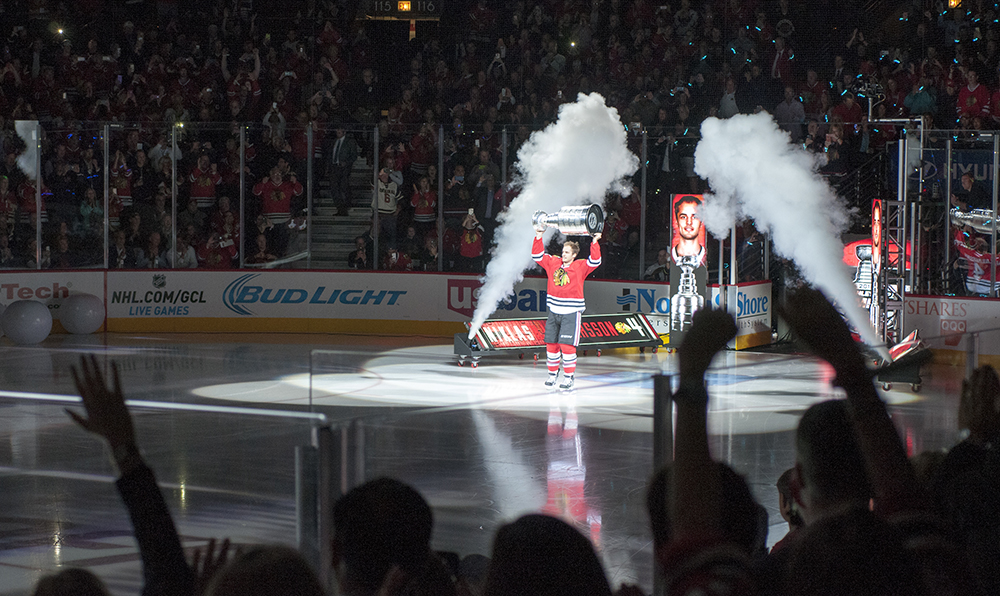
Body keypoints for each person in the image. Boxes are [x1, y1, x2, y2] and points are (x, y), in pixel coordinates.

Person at [532, 226, 602, 390]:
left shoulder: (580, 266)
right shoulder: (553, 262)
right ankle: (552, 374)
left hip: (571, 312)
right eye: (563, 251)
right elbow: (537, 255)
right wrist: (538, 236)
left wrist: (594, 242)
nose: (563, 254)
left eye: (567, 252)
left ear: (574, 255)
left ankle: (568, 377)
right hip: (554, 311)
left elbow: (596, 261)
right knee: (551, 345)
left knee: (567, 346)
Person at [672, 195, 706, 266]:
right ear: (677, 220)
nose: (689, 222)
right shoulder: (671, 256)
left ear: (701, 221)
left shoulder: (706, 257)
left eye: (695, 217)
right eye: (683, 217)